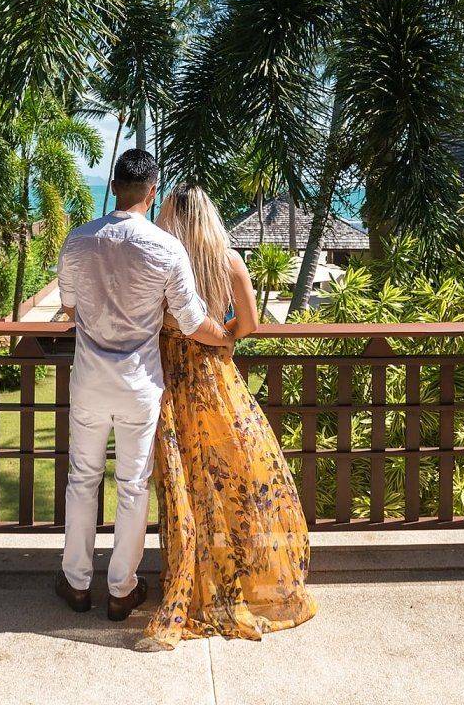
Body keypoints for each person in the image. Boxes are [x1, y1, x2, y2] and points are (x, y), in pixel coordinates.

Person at [55, 149, 231, 621]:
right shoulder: (166, 248)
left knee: (82, 480)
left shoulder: (78, 240)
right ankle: (121, 590)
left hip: (90, 383)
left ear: (114, 187)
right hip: (138, 385)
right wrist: (226, 338)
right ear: (152, 192)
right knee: (133, 486)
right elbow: (193, 322)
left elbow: (70, 307)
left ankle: (76, 583)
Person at [139, 184, 317, 650]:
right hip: (215, 376)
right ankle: (239, 575)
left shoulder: (163, 261)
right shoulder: (229, 261)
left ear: (173, 219)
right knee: (235, 473)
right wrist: (224, 339)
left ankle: (193, 578)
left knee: (185, 481)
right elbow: (251, 323)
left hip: (171, 377)